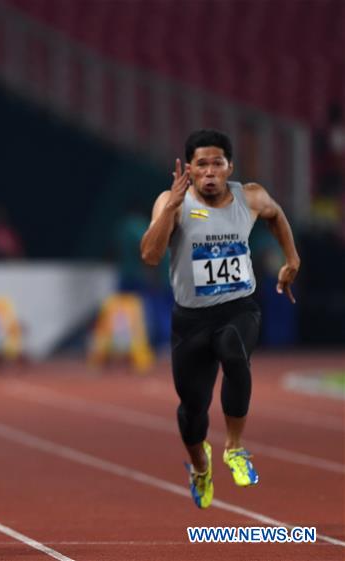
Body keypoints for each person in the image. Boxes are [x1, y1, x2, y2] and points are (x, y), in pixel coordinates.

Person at [140, 129, 299, 509]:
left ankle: (234, 448)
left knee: (233, 351)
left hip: (239, 307)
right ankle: (200, 466)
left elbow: (276, 216)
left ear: (230, 167)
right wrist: (169, 209)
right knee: (192, 411)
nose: (210, 171)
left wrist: (291, 260)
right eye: (201, 164)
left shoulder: (252, 196)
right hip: (191, 320)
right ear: (189, 170)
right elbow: (149, 255)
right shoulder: (171, 202)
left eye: (217, 163)